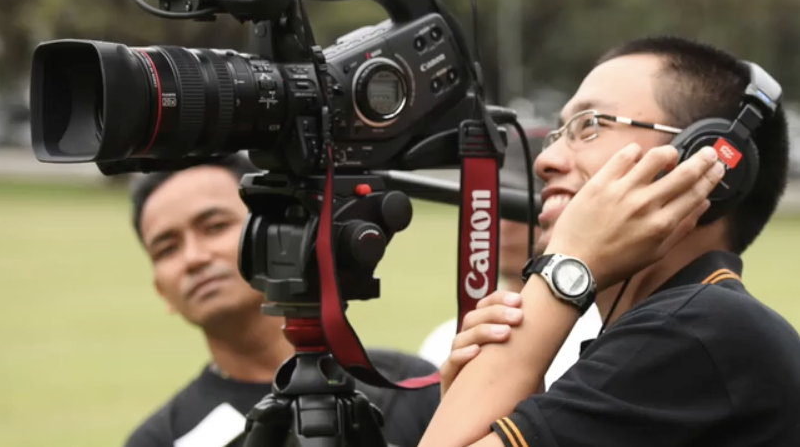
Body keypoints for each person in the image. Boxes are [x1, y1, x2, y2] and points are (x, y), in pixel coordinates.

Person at [417, 35, 800, 447]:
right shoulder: (672, 329)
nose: (545, 162)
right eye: (557, 135)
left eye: (590, 126)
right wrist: (480, 398)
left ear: (706, 159)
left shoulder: (700, 331)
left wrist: (565, 270)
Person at [123, 154, 442, 447]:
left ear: (277, 235)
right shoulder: (160, 439)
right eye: (167, 248)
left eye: (215, 226)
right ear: (161, 291)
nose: (194, 258)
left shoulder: (408, 385)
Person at [417, 217, 602, 388]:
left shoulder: (598, 332)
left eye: (520, 215)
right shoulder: (445, 338)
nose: (505, 225)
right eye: (500, 213)